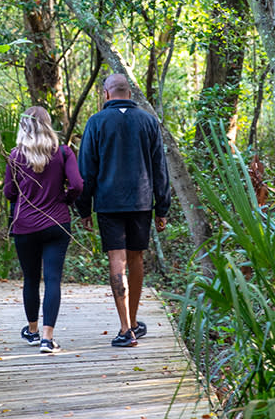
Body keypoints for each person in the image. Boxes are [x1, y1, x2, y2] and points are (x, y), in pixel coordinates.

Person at [75, 74, 170, 347]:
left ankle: (126, 328)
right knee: (136, 259)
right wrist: (162, 207)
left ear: (106, 94)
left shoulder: (96, 122)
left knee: (117, 260)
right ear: (129, 93)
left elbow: (86, 170)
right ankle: (134, 321)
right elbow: (159, 168)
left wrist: (84, 208)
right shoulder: (149, 121)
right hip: (141, 202)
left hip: (109, 202)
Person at [3, 106, 83, 353]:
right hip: (57, 223)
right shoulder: (63, 153)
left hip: (25, 225)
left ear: (23, 127)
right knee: (52, 279)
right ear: (48, 125)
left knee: (30, 279)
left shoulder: (15, 156)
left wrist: (26, 195)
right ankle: (48, 339)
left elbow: (9, 192)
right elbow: (78, 185)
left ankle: (33, 332)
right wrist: (65, 200)